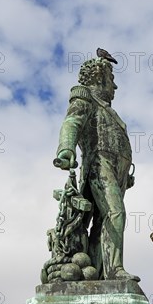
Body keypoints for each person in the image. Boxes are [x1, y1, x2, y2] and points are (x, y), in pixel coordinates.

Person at [55, 54, 139, 282]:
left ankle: (101, 272)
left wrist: (125, 174)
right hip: (99, 165)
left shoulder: (109, 111)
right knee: (116, 213)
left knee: (103, 222)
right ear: (100, 79)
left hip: (116, 171)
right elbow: (72, 122)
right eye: (111, 79)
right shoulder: (85, 99)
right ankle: (115, 270)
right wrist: (66, 149)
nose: (115, 85)